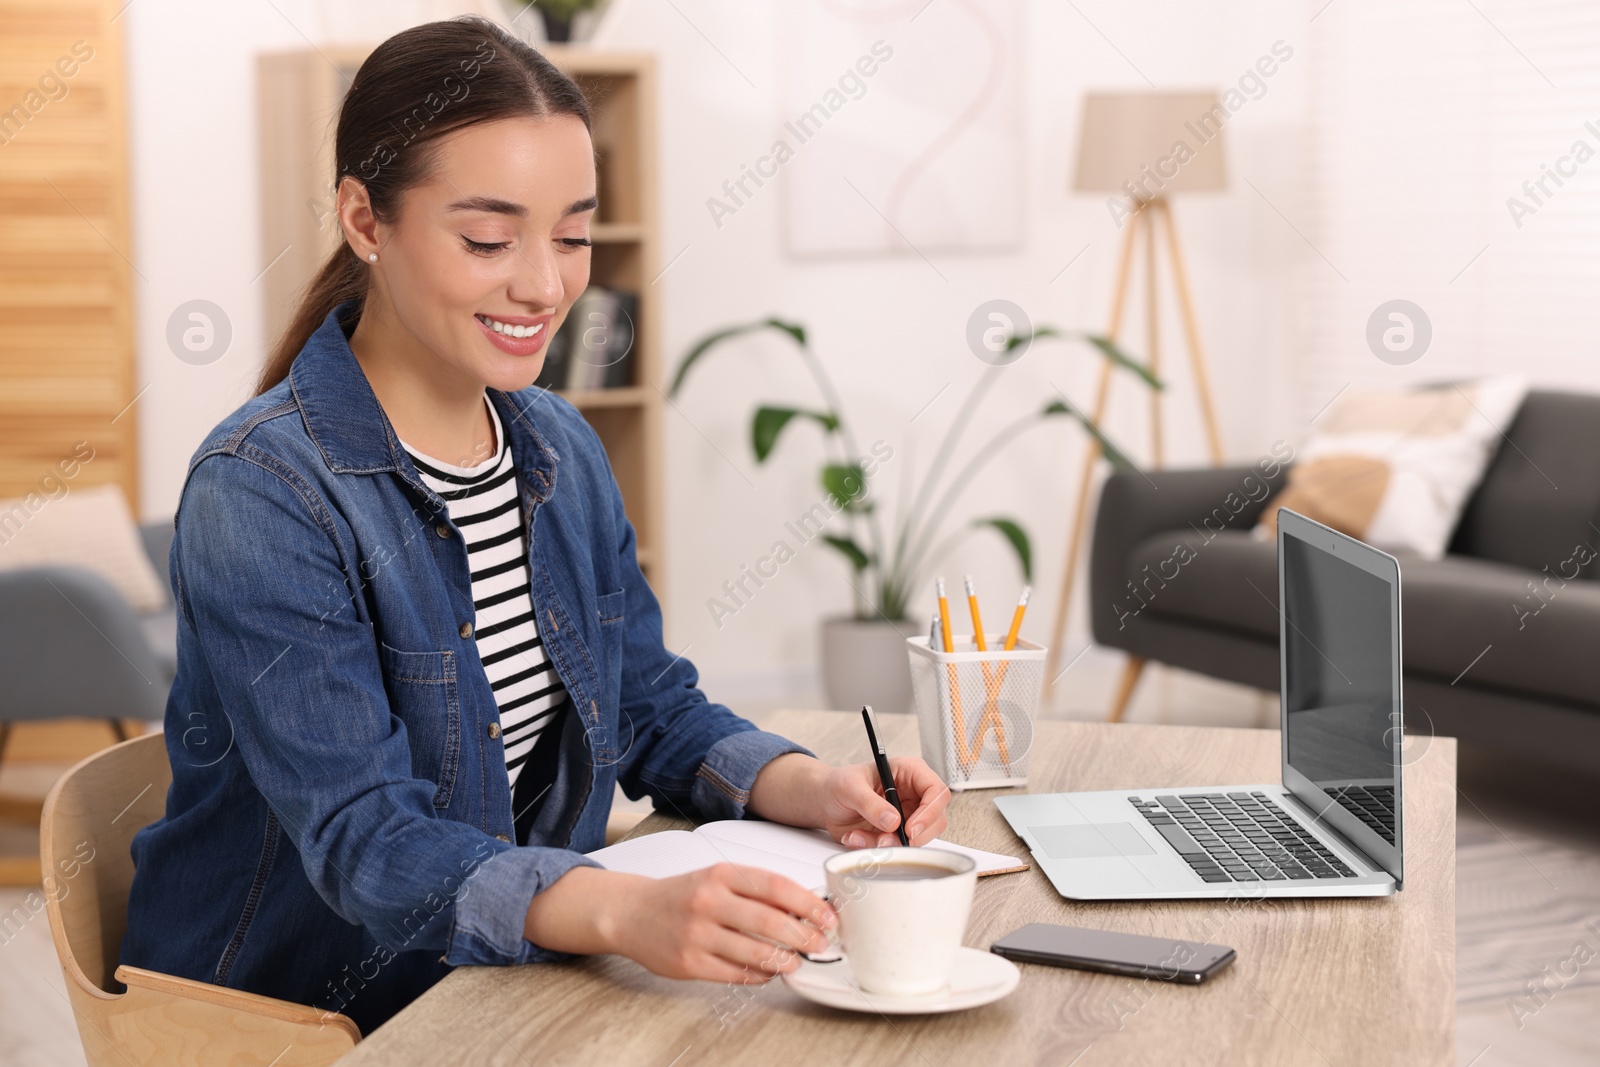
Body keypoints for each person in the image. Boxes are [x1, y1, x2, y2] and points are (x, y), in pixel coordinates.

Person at [117, 16, 950, 1036]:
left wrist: (810, 787)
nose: (546, 285)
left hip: (493, 980)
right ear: (364, 220)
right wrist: (623, 906)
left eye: (571, 234)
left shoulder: (556, 446)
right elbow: (365, 839)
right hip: (302, 1013)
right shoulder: (262, 492)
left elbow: (641, 700)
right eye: (487, 238)